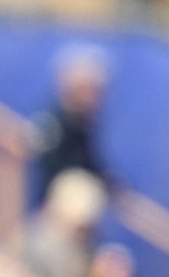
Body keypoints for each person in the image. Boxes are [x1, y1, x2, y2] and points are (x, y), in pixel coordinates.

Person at [31, 46, 110, 207]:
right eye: (90, 90)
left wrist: (108, 182)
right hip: (55, 209)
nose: (95, 97)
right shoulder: (54, 122)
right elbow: (54, 166)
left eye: (98, 91)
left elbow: (89, 162)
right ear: (73, 89)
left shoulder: (83, 124)